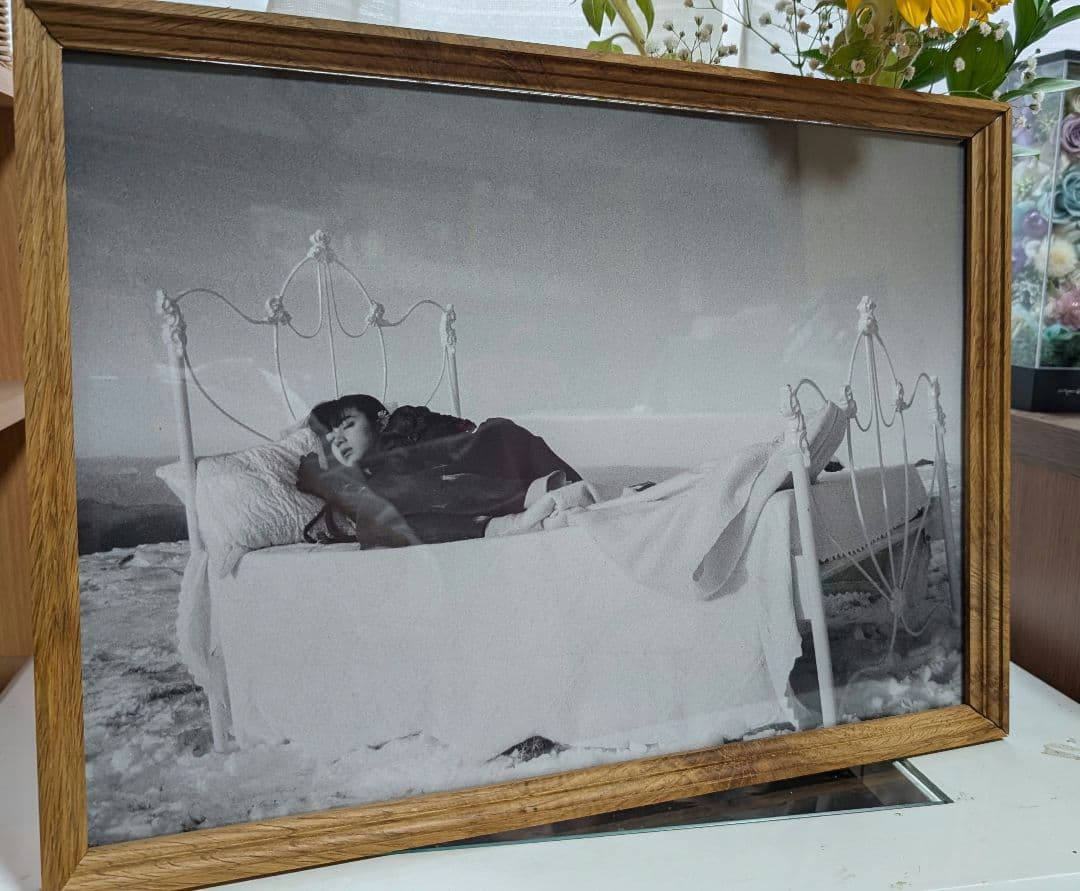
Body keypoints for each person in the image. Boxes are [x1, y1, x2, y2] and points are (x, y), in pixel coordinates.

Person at [296, 394, 590, 548]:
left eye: (348, 426)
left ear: (380, 421)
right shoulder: (365, 482)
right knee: (370, 524)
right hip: (478, 500)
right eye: (331, 439)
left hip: (496, 461)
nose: (340, 440)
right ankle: (501, 524)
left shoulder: (400, 433)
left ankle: (541, 494)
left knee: (379, 497)